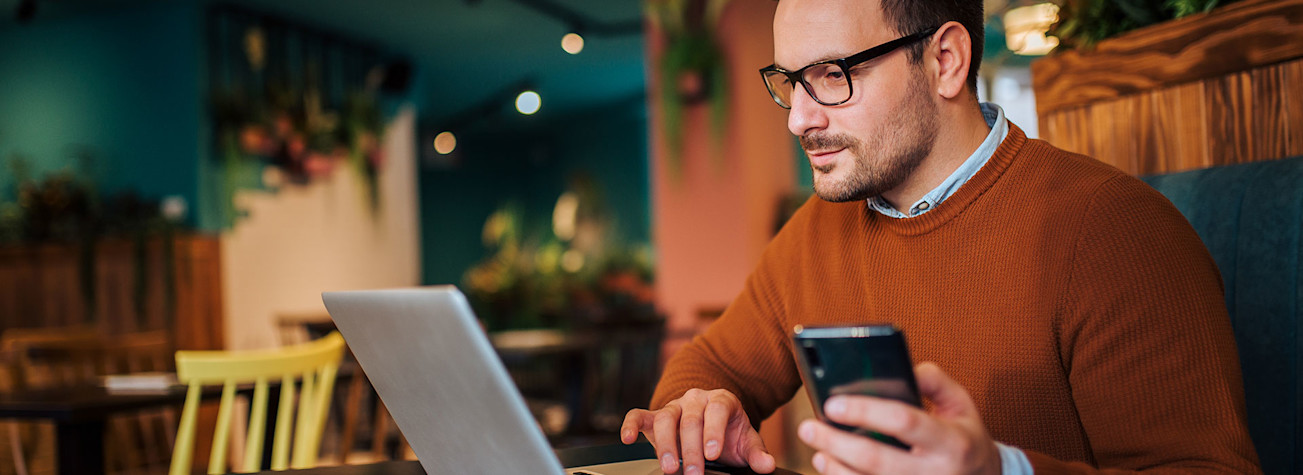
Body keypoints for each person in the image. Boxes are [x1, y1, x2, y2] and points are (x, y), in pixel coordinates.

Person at [620, 0, 1263, 474]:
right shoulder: (817, 231)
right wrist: (698, 408)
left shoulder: (1115, 231)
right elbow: (712, 366)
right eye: (791, 82)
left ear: (945, 62)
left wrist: (999, 470)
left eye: (833, 75)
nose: (800, 118)